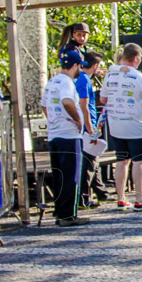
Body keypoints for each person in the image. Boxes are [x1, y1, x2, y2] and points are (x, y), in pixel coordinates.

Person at [100, 43, 142, 211]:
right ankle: (140, 198)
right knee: (139, 162)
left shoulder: (109, 76)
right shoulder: (141, 78)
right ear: (137, 58)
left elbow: (102, 100)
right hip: (135, 126)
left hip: (116, 124)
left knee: (121, 161)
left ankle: (121, 198)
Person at [41, 51, 89, 227]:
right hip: (69, 134)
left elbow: (44, 105)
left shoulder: (52, 81)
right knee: (71, 176)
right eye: (80, 67)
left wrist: (54, 120)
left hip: (55, 134)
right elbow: (67, 101)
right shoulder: (67, 83)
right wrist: (77, 119)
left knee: (59, 175)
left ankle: (60, 212)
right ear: (75, 66)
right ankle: (69, 214)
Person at [78, 51, 110, 206]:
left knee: (93, 159)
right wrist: (91, 129)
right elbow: (83, 105)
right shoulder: (83, 80)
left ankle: (100, 191)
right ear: (95, 65)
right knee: (88, 162)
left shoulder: (85, 79)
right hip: (87, 125)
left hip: (90, 122)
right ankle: (84, 197)